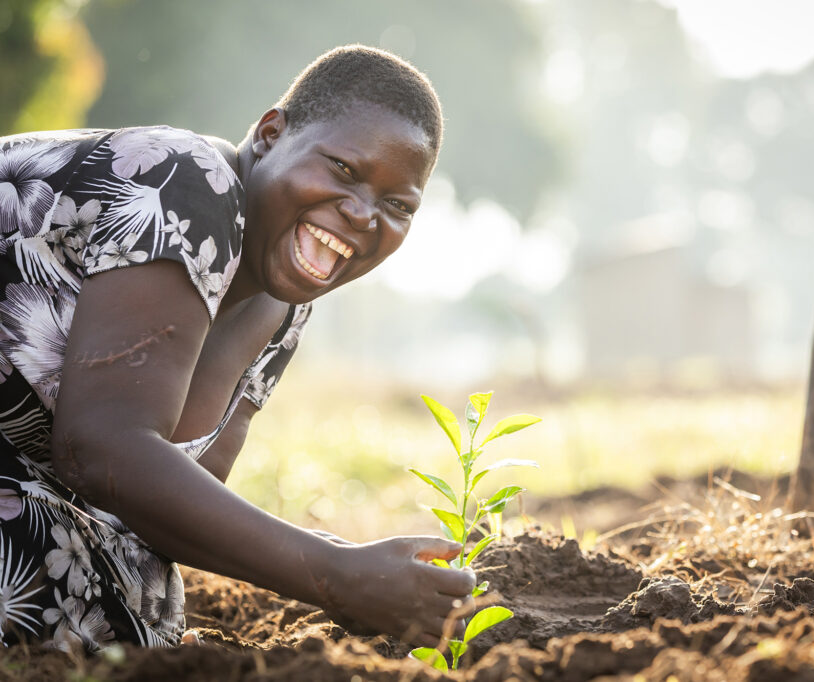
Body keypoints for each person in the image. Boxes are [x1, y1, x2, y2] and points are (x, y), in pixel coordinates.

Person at [0, 45, 475, 652]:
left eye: (397, 206)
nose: (361, 214)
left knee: (141, 588)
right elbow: (99, 446)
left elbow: (164, 517)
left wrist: (352, 563)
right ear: (272, 134)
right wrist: (336, 578)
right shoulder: (189, 177)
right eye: (344, 171)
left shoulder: (284, 308)